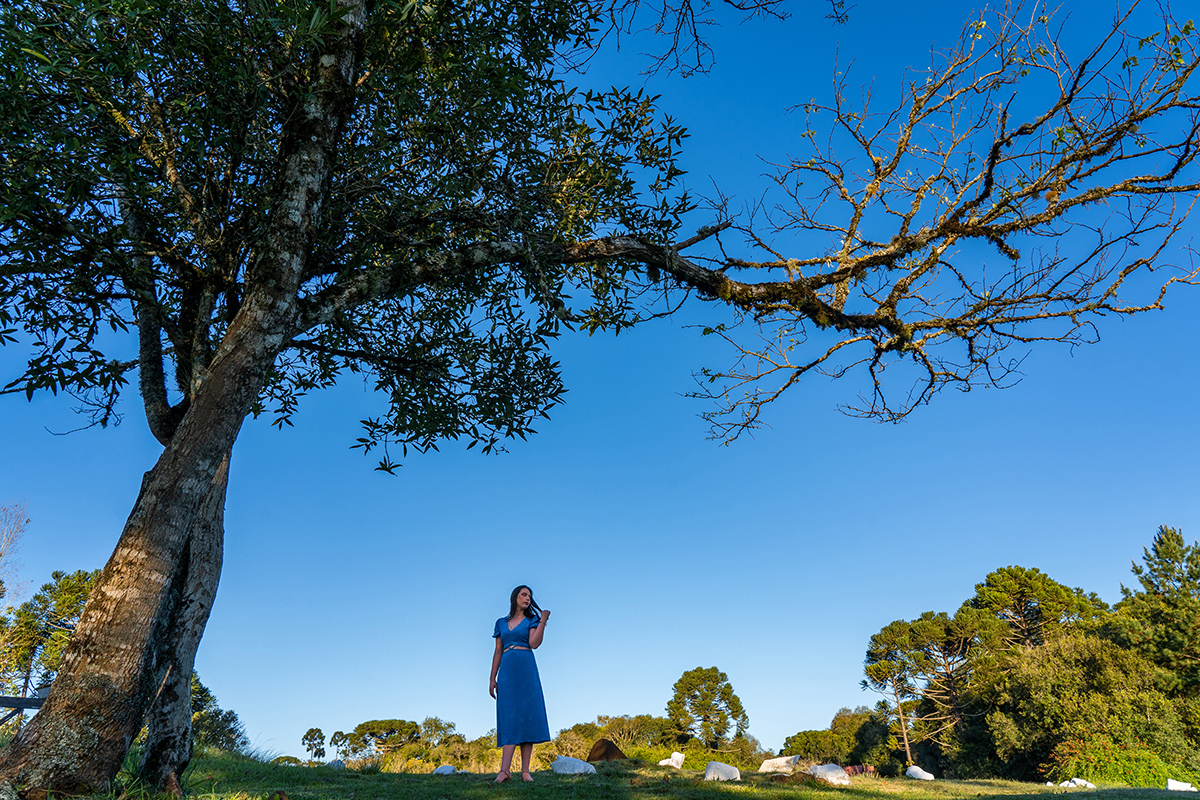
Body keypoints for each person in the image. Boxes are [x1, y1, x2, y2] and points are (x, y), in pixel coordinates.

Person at [489, 585, 551, 782]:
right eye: (524, 594)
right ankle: (504, 771)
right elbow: (498, 650)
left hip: (527, 670)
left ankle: (525, 772)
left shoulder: (532, 619)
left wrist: (542, 621)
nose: (527, 598)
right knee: (509, 717)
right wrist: (492, 678)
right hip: (507, 672)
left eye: (529, 596)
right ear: (515, 597)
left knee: (527, 716)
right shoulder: (500, 623)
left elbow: (534, 643)